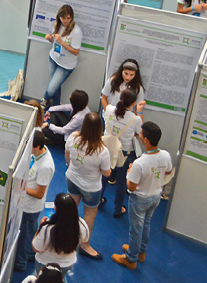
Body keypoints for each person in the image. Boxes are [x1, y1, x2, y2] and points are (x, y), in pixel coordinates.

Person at [113, 121, 173, 269]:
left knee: (135, 229)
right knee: (146, 224)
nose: (139, 135)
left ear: (145, 139)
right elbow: (167, 171)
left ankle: (131, 259)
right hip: (155, 197)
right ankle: (140, 252)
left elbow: (131, 187)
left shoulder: (139, 163)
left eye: (140, 134)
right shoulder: (165, 155)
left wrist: (129, 173)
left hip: (140, 199)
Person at [64, 112, 111, 260]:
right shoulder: (102, 151)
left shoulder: (73, 138)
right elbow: (107, 173)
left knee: (71, 208)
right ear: (99, 129)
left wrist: (71, 166)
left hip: (72, 178)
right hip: (91, 187)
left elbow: (67, 154)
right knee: (89, 214)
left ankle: (65, 237)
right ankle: (85, 244)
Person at [13, 130, 54, 272]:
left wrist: (22, 187)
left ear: (37, 147)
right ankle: (30, 254)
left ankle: (20, 263)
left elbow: (39, 193)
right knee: (28, 232)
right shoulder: (38, 154)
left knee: (25, 235)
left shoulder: (45, 166)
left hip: (31, 207)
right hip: (25, 203)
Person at [103, 90, 140, 218]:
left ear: (120, 97)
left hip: (106, 148)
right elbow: (140, 134)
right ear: (134, 103)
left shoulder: (108, 109)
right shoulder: (135, 119)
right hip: (123, 152)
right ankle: (117, 209)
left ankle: (97, 200)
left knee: (103, 176)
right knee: (121, 181)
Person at [32, 194, 87, 277]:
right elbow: (85, 239)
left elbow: (36, 248)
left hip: (46, 264)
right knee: (60, 282)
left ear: (56, 209)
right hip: (67, 263)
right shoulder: (81, 224)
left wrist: (40, 227)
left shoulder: (48, 229)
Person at [42, 5, 82, 106]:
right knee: (56, 87)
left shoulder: (76, 31)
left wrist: (62, 42)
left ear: (72, 18)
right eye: (63, 18)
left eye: (68, 18)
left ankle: (44, 101)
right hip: (53, 58)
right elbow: (55, 42)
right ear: (59, 17)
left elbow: (76, 52)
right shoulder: (57, 25)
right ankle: (55, 107)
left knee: (51, 89)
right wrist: (50, 39)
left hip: (66, 65)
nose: (65, 20)